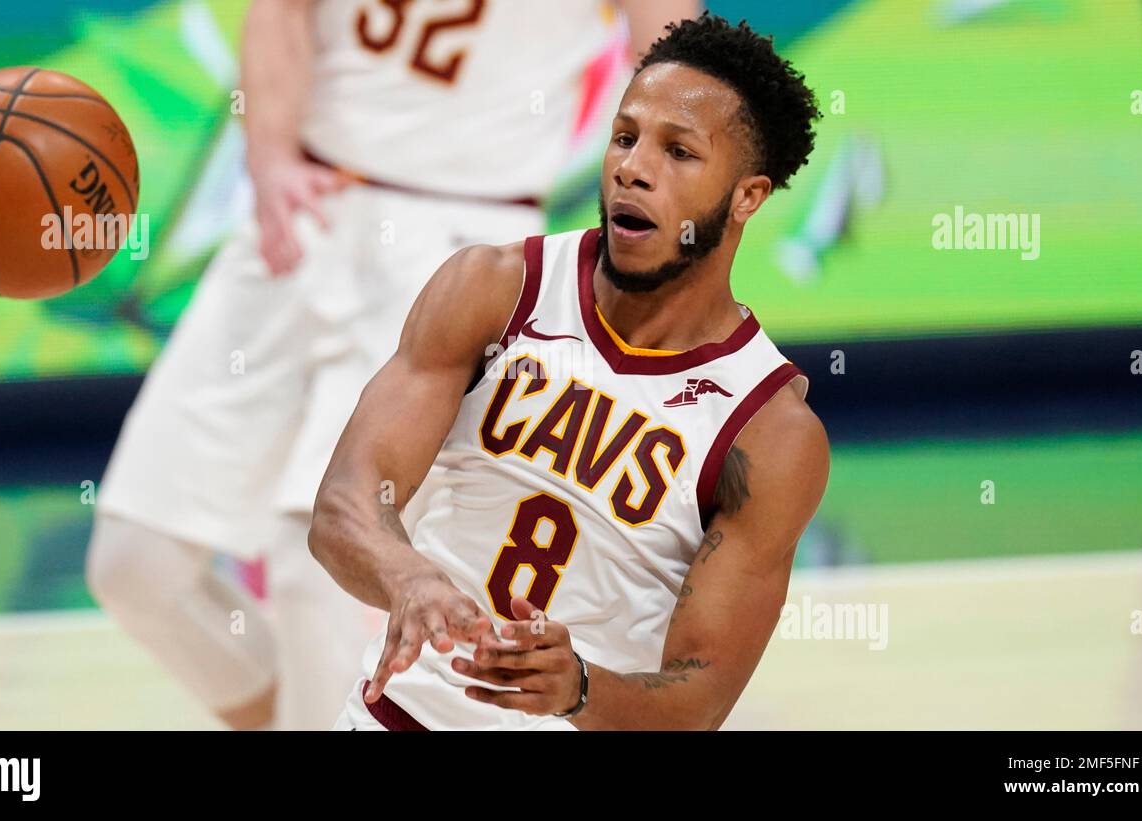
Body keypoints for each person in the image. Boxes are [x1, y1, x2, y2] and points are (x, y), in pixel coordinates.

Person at [86, 0, 697, 730]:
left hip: (463, 240)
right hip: (302, 208)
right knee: (134, 566)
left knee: (315, 569)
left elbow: (665, 64)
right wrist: (271, 158)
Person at [313, 14, 830, 731]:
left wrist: (580, 686)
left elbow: (697, 699)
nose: (632, 166)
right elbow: (343, 506)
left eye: (678, 150)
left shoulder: (770, 430)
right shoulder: (493, 288)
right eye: (625, 136)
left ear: (747, 196)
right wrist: (409, 578)